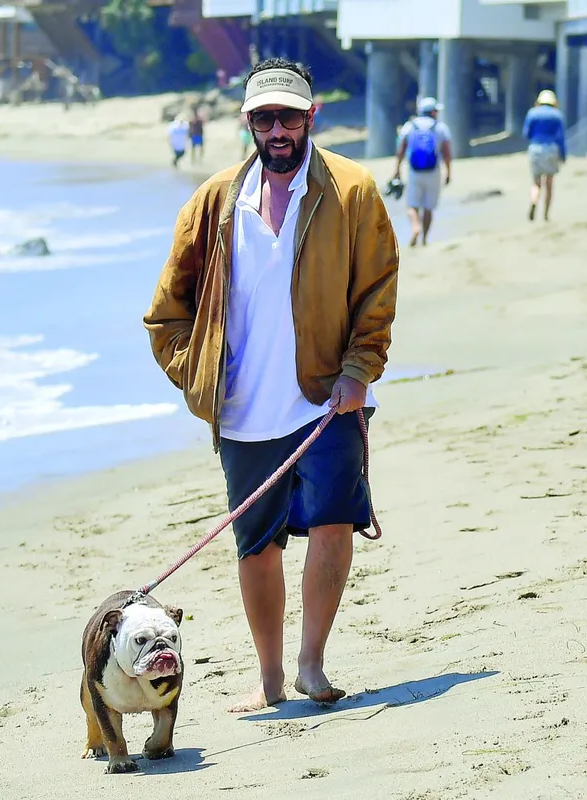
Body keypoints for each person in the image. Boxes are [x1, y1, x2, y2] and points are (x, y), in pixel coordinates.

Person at [144, 57, 399, 713]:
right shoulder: (214, 201)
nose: (278, 129)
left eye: (289, 115)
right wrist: (198, 377)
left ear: (312, 116)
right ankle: (270, 679)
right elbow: (166, 311)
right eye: (266, 118)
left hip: (328, 398)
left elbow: (377, 291)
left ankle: (312, 664)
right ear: (248, 122)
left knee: (333, 526)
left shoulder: (352, 190)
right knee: (257, 549)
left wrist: (358, 369)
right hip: (242, 411)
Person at [394, 97, 452, 247]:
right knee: (428, 207)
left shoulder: (409, 126)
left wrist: (397, 170)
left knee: (412, 205)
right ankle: (425, 239)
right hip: (433, 172)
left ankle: (415, 227)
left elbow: (401, 150)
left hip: (414, 172)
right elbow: (446, 152)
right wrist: (448, 172)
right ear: (432, 112)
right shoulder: (440, 128)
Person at [523, 89, 566, 222]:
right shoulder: (557, 115)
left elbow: (526, 133)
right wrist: (563, 154)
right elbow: (560, 138)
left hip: (535, 148)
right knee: (549, 183)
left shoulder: (532, 113)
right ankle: (546, 215)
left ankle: (534, 201)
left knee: (536, 182)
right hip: (551, 149)